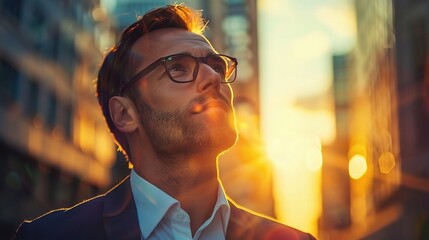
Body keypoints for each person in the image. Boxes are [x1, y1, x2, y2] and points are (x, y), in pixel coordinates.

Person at [15, 4, 316, 240]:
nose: (213, 78)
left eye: (216, 66)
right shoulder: (51, 236)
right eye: (178, 68)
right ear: (125, 114)